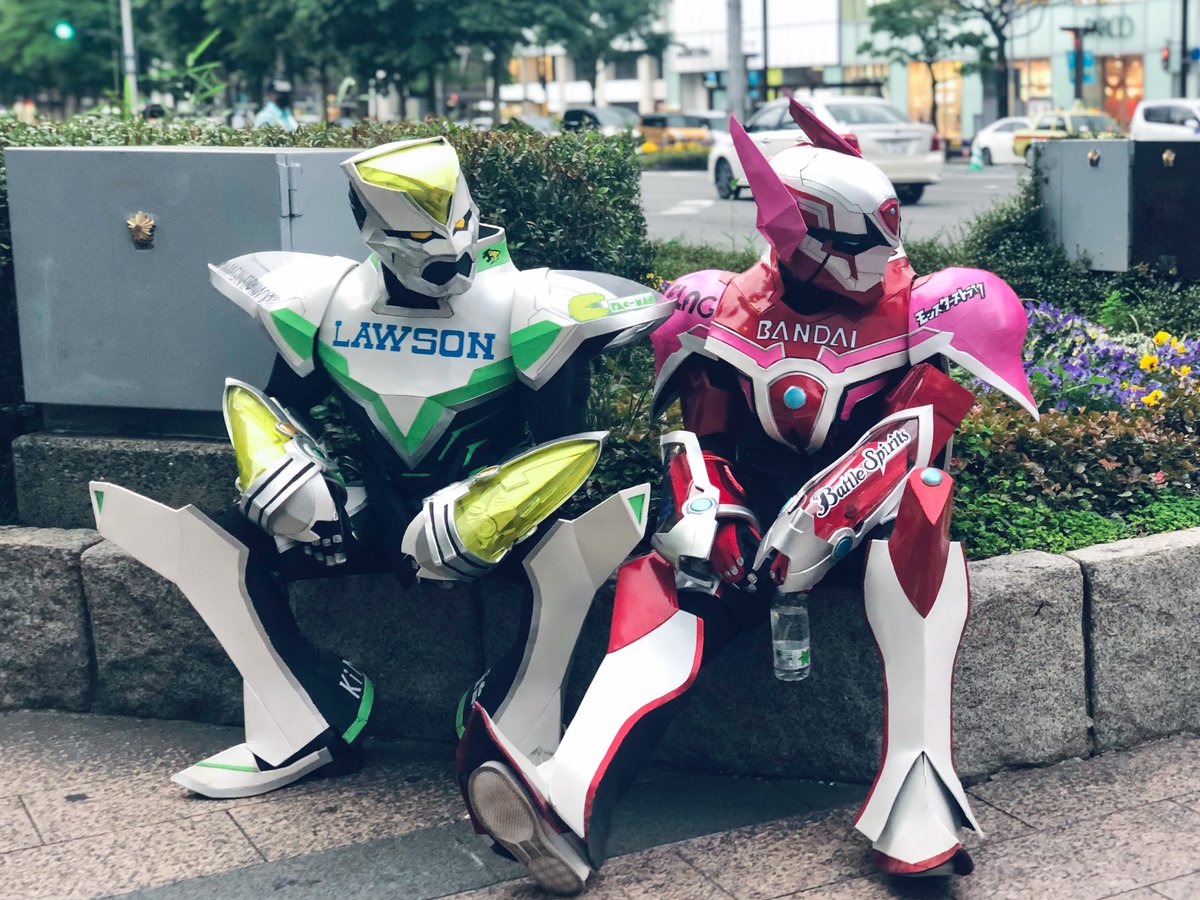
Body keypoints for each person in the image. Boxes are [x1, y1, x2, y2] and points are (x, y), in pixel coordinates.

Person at [456, 99, 1040, 894]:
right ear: (799, 233)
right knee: (667, 579)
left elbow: (922, 433)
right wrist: (709, 510)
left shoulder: (930, 305)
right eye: (856, 239)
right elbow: (705, 433)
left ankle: (919, 799)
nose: (881, 255)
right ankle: (567, 800)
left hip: (866, 530)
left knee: (924, 507)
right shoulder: (718, 304)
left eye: (884, 232)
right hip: (751, 529)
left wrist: (827, 514)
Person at [88, 136, 672, 798]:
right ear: (371, 228)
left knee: (572, 554)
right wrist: (287, 479)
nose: (448, 251)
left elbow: (563, 450)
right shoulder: (323, 298)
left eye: (458, 224)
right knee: (213, 546)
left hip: (489, 522)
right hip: (367, 512)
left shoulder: (533, 307)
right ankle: (310, 720)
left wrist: (487, 512)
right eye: (420, 236)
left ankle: (515, 728)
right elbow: (276, 409)